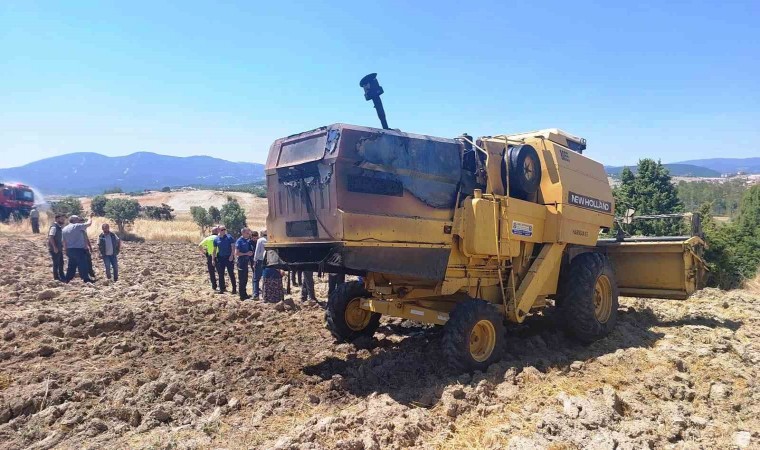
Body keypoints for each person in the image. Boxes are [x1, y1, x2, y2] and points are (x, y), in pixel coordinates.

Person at [62, 215, 94, 283]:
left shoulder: (64, 229)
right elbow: (89, 223)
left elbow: (64, 241)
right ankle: (86, 279)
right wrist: (90, 217)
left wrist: (65, 250)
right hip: (79, 249)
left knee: (71, 265)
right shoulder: (77, 226)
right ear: (74, 220)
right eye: (77, 219)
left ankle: (67, 279)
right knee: (83, 264)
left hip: (69, 250)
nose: (79, 220)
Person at [213, 226, 237, 295]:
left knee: (231, 273)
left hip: (228, 257)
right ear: (218, 230)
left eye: (224, 229)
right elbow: (214, 250)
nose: (223, 231)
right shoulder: (216, 239)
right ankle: (222, 289)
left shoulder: (229, 237)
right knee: (221, 274)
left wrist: (232, 256)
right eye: (222, 230)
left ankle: (234, 289)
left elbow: (233, 247)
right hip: (220, 258)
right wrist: (213, 259)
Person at [235, 228, 255, 300]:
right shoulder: (239, 241)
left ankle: (244, 294)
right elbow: (237, 253)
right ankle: (242, 296)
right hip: (241, 262)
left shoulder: (247, 241)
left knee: (245, 278)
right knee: (242, 279)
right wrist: (246, 253)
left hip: (246, 262)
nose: (248, 234)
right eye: (247, 233)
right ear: (243, 233)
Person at [198, 226, 219, 291]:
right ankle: (222, 285)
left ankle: (214, 286)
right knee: (220, 272)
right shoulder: (219, 238)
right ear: (217, 232)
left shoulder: (208, 238)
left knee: (211, 271)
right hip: (218, 256)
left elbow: (200, 245)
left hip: (210, 256)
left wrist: (204, 253)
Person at [47, 214, 66, 281]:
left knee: (61, 262)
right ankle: (56, 277)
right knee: (56, 263)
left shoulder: (59, 227)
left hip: (59, 248)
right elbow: (51, 237)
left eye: (64, 219)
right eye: (62, 219)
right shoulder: (54, 227)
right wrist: (54, 247)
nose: (63, 220)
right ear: (57, 219)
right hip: (55, 249)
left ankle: (62, 275)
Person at [252, 229, 267, 299]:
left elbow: (257, 252)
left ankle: (256, 294)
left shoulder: (260, 240)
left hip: (260, 261)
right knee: (266, 279)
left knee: (256, 279)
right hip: (269, 261)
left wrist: (254, 261)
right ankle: (265, 294)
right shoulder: (270, 239)